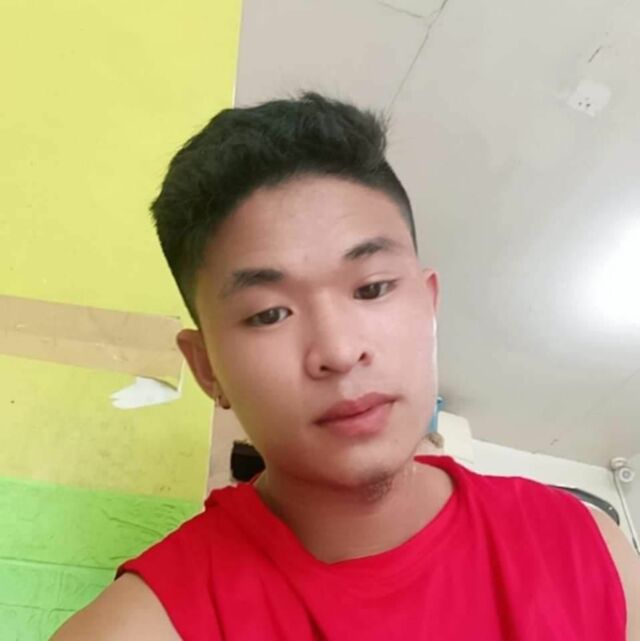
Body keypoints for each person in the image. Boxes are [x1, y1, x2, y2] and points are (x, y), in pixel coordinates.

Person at [52, 93, 639, 640]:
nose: (337, 350)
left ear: (429, 307)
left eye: (372, 287)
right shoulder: (144, 625)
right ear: (208, 370)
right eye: (269, 314)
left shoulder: (590, 548)